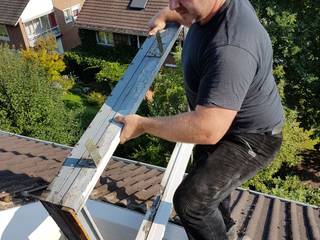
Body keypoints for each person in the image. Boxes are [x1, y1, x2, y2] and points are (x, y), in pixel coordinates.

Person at [115, 0, 284, 239]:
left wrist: (143, 125)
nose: (174, 3)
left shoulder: (231, 46)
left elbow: (208, 128)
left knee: (192, 202)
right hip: (225, 121)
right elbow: (186, 10)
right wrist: (169, 14)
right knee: (212, 187)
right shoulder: (212, 9)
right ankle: (227, 230)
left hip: (252, 137)